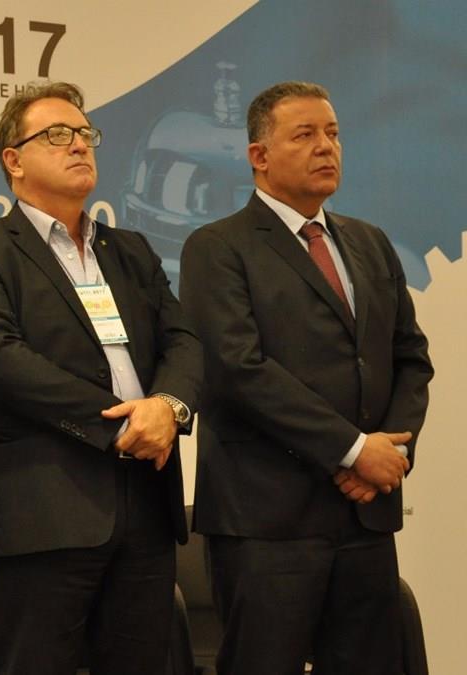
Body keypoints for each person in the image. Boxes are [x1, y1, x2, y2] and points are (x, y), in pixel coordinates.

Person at [0, 81, 201, 674]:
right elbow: (2, 359)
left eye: (85, 134)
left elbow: (184, 340)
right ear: (13, 160)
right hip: (46, 510)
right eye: (58, 135)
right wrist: (121, 425)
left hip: (148, 504)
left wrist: (168, 406)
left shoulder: (130, 250)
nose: (80, 145)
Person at [180, 81, 434, 674]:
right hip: (268, 521)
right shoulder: (217, 247)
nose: (326, 147)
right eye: (305, 135)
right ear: (259, 156)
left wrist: (390, 451)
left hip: (365, 515)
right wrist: (353, 451)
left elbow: (410, 357)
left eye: (333, 133)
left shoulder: (370, 243)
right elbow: (237, 370)